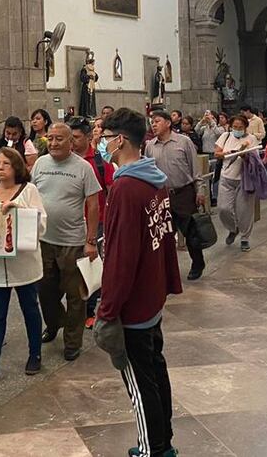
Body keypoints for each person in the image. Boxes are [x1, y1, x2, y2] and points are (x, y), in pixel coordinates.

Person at [94, 107, 182, 457]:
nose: (102, 145)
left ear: (120, 140)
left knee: (139, 382)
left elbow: (121, 256)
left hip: (132, 306)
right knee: (154, 371)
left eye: (104, 139)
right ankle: (164, 443)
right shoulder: (152, 178)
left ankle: (152, 451)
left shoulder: (126, 188)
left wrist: (108, 307)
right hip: (150, 296)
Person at [0, 147, 47, 388]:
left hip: (23, 265)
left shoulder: (29, 191)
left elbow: (42, 223)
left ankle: (35, 354)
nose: (0, 168)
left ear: (16, 167)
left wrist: (19, 211)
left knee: (30, 309)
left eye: (5, 164)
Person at [31, 123, 100, 361]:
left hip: (73, 242)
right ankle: (54, 322)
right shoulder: (40, 164)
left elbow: (93, 205)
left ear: (71, 142)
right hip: (44, 241)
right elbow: (30, 196)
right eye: (50, 139)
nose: (53, 143)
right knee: (45, 292)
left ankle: (72, 342)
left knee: (75, 296)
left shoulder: (83, 168)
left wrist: (91, 241)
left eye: (59, 139)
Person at [146, 110, 207, 280]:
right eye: (152, 121)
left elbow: (195, 168)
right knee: (164, 235)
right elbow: (148, 171)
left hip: (183, 193)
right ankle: (167, 270)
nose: (154, 124)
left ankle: (197, 264)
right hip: (161, 195)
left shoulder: (184, 142)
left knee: (191, 233)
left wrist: (199, 190)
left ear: (168, 123)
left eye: (157, 121)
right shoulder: (150, 146)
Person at [68, 116, 114, 325]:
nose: (72, 142)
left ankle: (89, 310)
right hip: (70, 223)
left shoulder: (99, 163)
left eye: (76, 137)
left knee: (91, 264)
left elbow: (111, 193)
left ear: (87, 138)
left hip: (96, 222)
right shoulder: (63, 160)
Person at [214, 116, 259, 252]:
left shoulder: (251, 139)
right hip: (226, 177)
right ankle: (233, 228)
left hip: (244, 179)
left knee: (245, 210)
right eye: (235, 127)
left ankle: (245, 237)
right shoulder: (225, 136)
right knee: (223, 209)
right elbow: (217, 153)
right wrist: (226, 153)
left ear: (245, 127)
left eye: (240, 128)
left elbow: (255, 158)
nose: (237, 130)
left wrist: (244, 154)